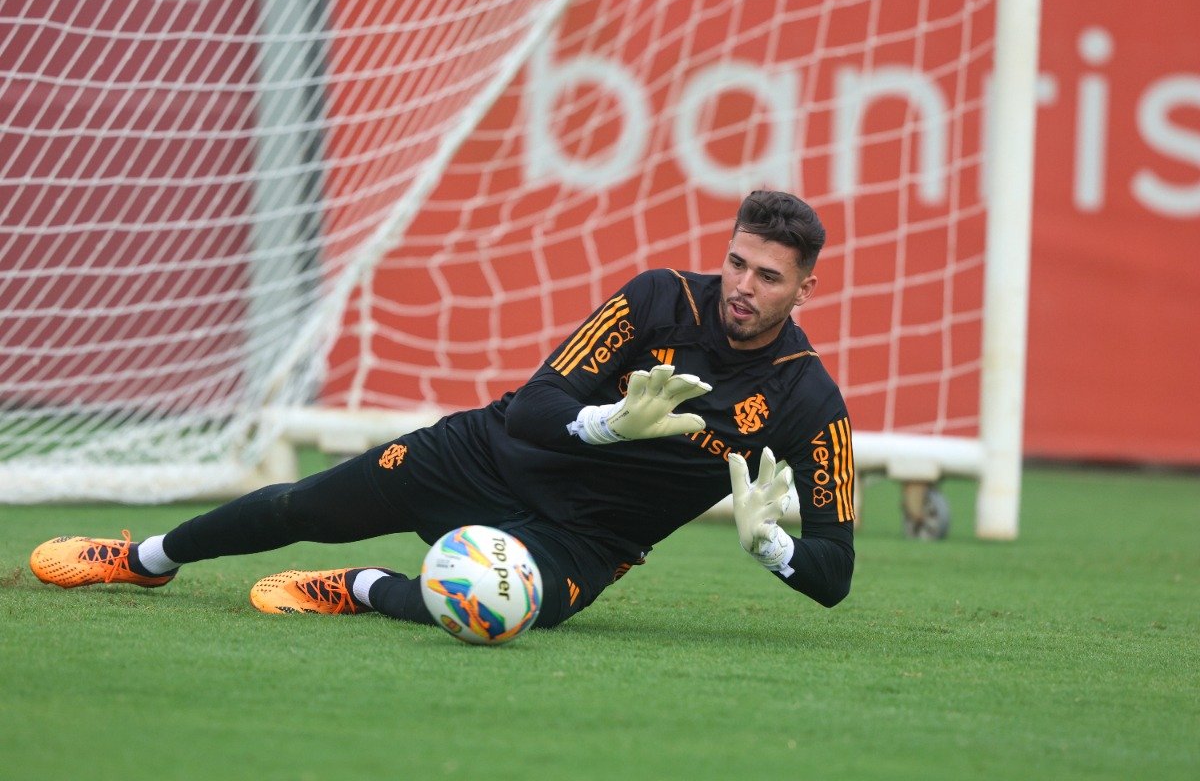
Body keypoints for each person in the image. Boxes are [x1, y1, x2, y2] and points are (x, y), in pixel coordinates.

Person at [29, 190, 856, 629]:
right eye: (737, 263)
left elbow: (834, 575)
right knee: (305, 503)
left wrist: (771, 545)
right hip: (493, 452)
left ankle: (361, 588)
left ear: (806, 286)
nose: (742, 288)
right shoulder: (657, 298)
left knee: (500, 612)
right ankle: (143, 558)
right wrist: (607, 424)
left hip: (585, 537)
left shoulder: (810, 400)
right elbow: (539, 405)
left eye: (769, 277)